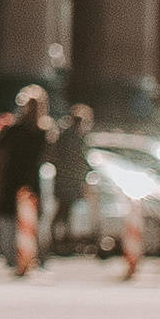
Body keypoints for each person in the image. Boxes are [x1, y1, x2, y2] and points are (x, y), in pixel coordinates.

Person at [0, 87, 52, 268]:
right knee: (30, 219)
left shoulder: (15, 130)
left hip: (12, 179)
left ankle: (14, 257)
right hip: (30, 181)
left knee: (7, 217)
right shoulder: (44, 132)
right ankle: (31, 256)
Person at [50, 100, 95, 258]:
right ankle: (59, 241)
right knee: (64, 211)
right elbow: (80, 159)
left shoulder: (65, 135)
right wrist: (89, 170)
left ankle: (61, 240)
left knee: (64, 211)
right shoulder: (74, 137)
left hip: (65, 179)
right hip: (69, 180)